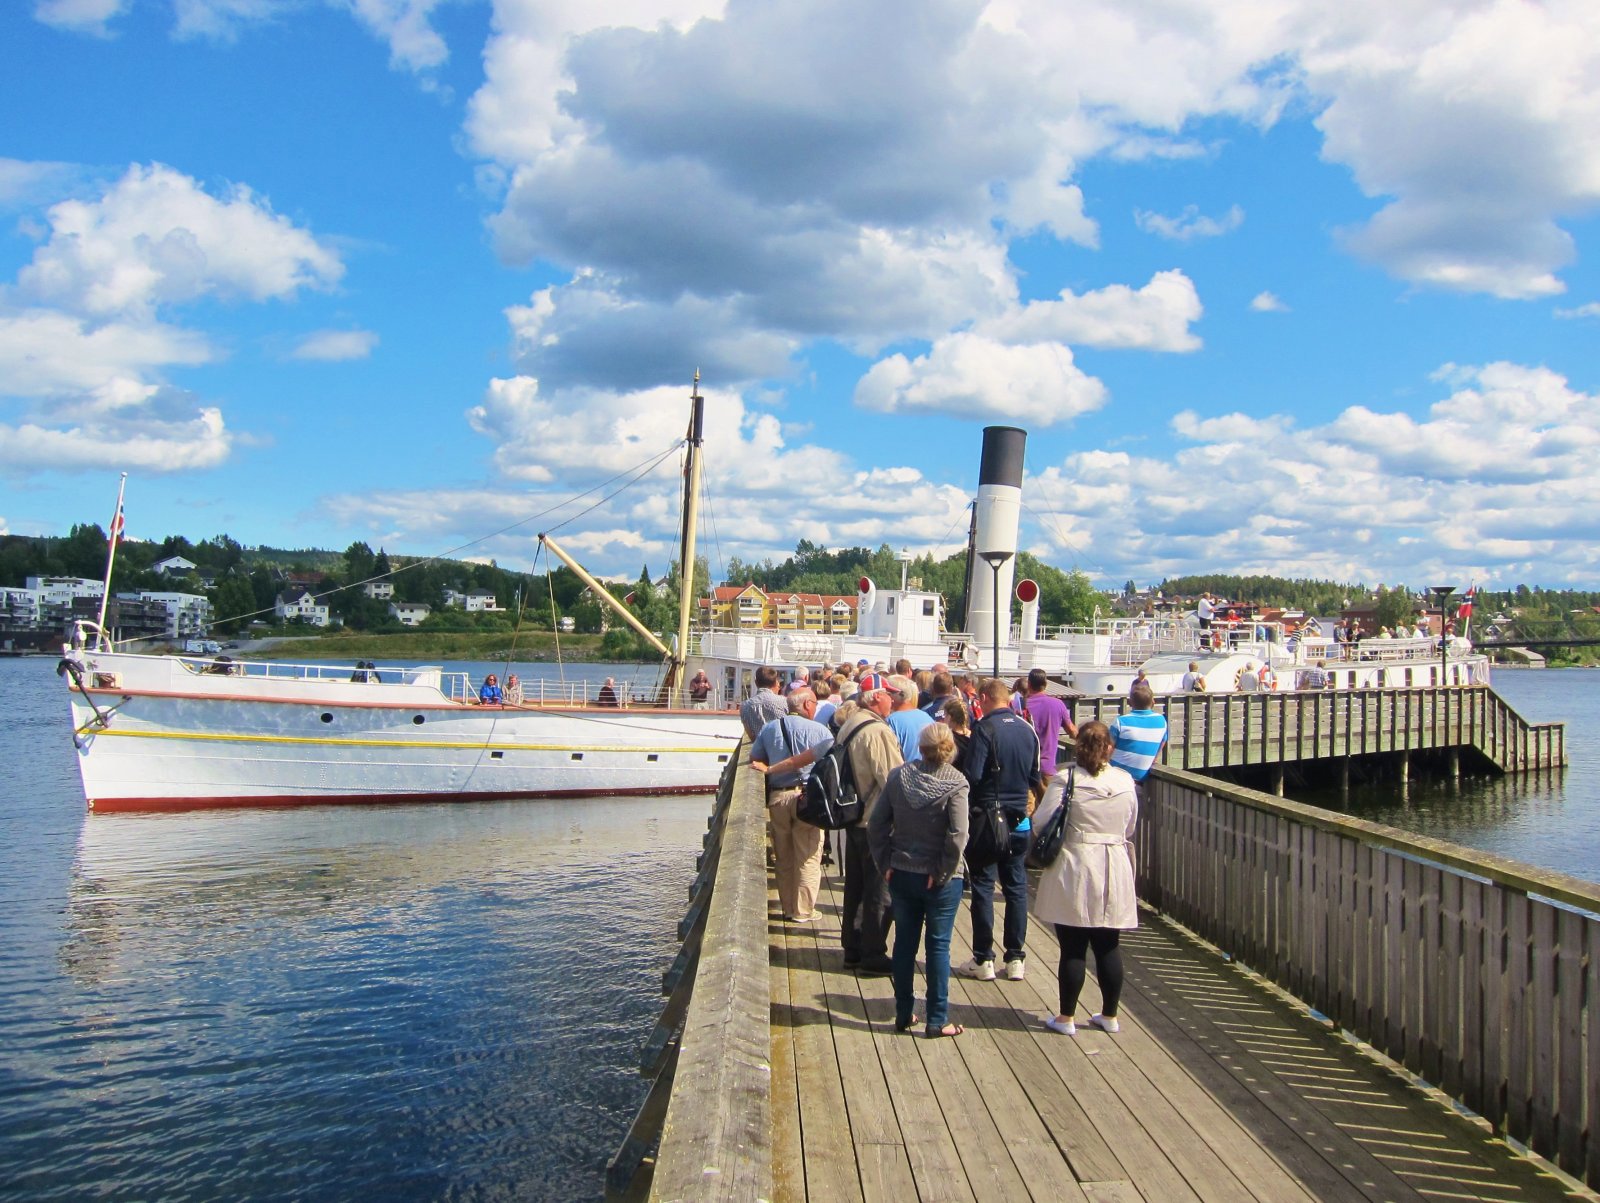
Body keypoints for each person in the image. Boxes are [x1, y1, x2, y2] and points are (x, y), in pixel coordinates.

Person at [1033, 720, 1138, 1036]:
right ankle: (1109, 1015)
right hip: (1113, 863)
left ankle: (1066, 1018)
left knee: (1073, 945)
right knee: (1108, 944)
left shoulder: (1066, 779)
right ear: (1110, 748)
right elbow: (1129, 825)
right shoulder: (1124, 780)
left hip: (1076, 862)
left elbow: (1041, 822)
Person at [869, 722, 970, 1039]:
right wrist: (942, 871)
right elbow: (958, 836)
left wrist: (885, 862)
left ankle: (902, 1013)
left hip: (901, 872)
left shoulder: (899, 776)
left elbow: (876, 825)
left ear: (920, 746)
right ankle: (937, 1019)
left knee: (903, 945)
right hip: (940, 879)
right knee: (938, 948)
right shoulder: (956, 783)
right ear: (949, 748)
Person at [958, 677, 1043, 982]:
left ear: (983, 698)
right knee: (1016, 888)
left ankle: (984, 959)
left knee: (983, 885)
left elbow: (972, 775)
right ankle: (1016, 957)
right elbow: (1034, 775)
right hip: (1020, 817)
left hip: (988, 819)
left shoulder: (984, 729)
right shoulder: (1027, 730)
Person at [750, 688, 835, 923]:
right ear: (807, 705)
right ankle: (803, 910)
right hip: (807, 799)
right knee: (807, 856)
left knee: (784, 855)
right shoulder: (820, 730)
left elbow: (755, 758)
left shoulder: (770, 729)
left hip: (778, 797)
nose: (816, 707)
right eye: (815, 703)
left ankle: (787, 907)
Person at [1109, 681, 1167, 793]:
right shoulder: (1161, 721)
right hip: (1138, 783)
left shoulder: (1121, 721)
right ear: (1153, 702)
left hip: (1114, 781)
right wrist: (1153, 759)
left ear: (1130, 702)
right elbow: (1162, 742)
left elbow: (1107, 748)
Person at [1022, 667, 1075, 779]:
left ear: (1029, 684)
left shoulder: (1021, 706)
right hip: (1047, 768)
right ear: (1045, 684)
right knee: (1049, 796)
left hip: (1025, 769)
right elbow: (1072, 731)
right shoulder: (1058, 704)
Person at [886, 675, 933, 762]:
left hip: (904, 773)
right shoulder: (927, 717)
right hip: (926, 772)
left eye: (886, 693)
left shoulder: (891, 721)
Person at [740, 665, 788, 738]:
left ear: (756, 683)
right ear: (776, 683)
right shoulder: (784, 701)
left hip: (760, 747)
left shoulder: (745, 706)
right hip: (781, 746)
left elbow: (751, 736)